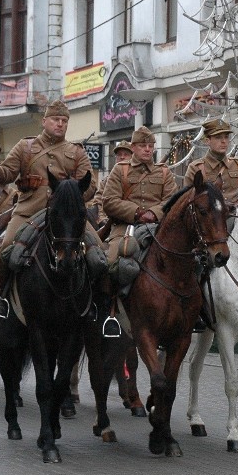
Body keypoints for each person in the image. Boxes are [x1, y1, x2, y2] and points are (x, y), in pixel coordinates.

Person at [0, 99, 97, 319]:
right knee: (4, 250)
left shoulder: (76, 152)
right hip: (28, 211)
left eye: (64, 121)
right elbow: (6, 174)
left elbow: (91, 185)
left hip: (65, 217)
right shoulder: (25, 147)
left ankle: (95, 305)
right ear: (44, 121)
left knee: (99, 256)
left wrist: (69, 198)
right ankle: (0, 298)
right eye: (56, 120)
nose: (60, 124)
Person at [101, 126, 178, 329]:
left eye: (150, 146)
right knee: (110, 263)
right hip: (125, 228)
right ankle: (109, 311)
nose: (147, 149)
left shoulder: (164, 172)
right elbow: (109, 201)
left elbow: (172, 200)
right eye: (143, 145)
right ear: (133, 147)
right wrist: (137, 212)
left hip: (158, 228)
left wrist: (154, 213)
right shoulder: (120, 170)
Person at [183, 119, 238, 206]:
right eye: (218, 137)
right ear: (207, 141)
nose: (223, 141)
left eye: (226, 137)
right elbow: (187, 201)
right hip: (210, 217)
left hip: (237, 216)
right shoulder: (196, 168)